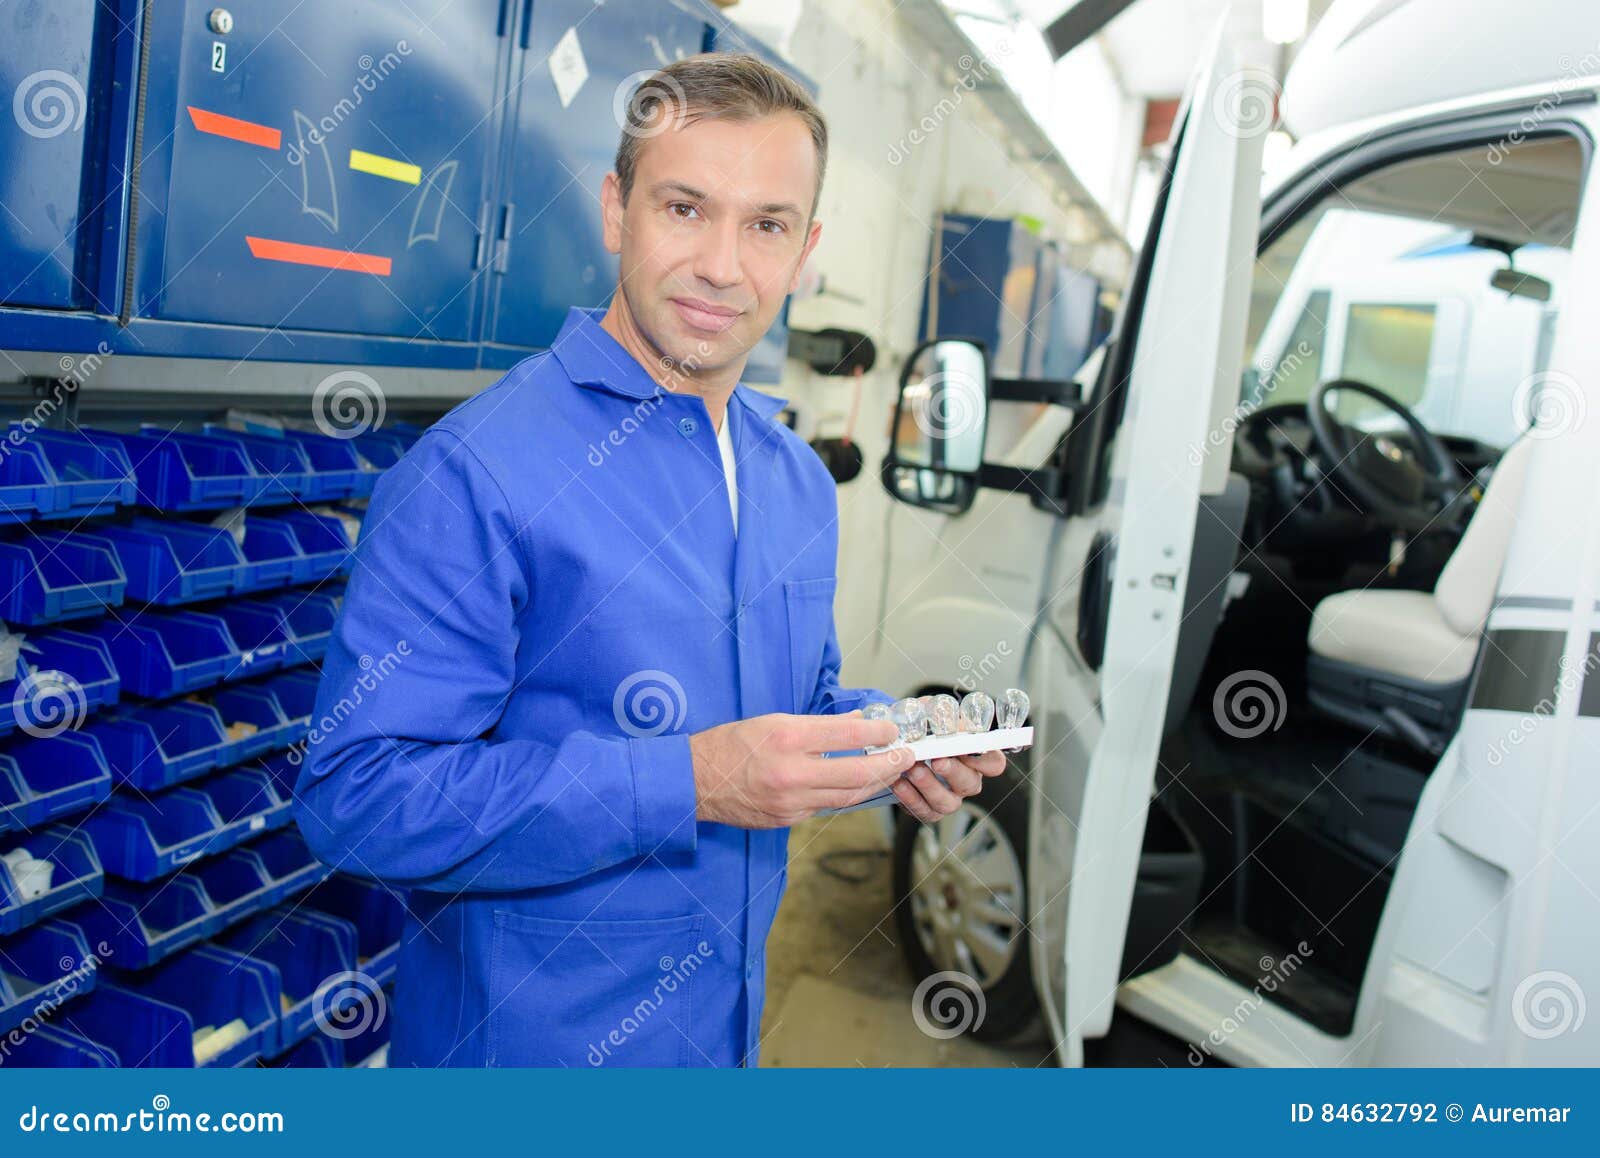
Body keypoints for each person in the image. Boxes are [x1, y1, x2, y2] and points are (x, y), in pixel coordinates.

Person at [294, 52, 1006, 1068]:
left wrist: (887, 744)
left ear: (805, 250)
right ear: (615, 211)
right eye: (684, 208)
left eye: (765, 225)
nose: (724, 265)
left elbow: (788, 712)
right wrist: (688, 780)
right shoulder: (476, 474)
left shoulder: (795, 481)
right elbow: (356, 803)